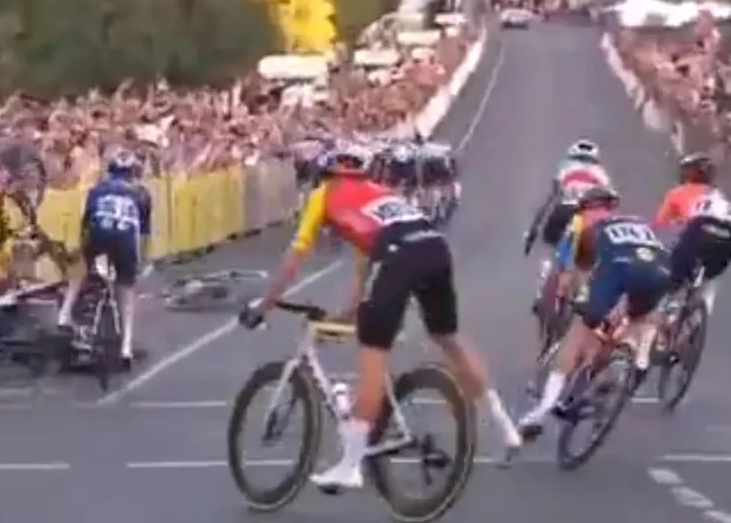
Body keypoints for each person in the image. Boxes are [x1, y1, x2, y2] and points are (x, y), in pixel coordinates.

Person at [243, 141, 521, 491]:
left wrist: (264, 304)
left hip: (398, 256)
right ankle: (504, 426)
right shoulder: (380, 194)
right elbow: (365, 268)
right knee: (447, 337)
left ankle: (350, 465)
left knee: (373, 356)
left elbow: (294, 258)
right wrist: (348, 314)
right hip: (434, 248)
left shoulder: (325, 195)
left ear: (325, 174)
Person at [517, 185, 668, 439]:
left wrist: (581, 301)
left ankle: (542, 411)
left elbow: (582, 270)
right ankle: (637, 354)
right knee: (638, 315)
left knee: (579, 334)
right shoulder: (637, 223)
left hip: (619, 269)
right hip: (659, 269)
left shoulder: (583, 223)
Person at [60, 148, 152, 367]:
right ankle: (126, 346)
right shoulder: (142, 193)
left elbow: (85, 224)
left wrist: (82, 249)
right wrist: (141, 262)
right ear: (133, 172)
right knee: (126, 288)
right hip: (125, 239)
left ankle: (65, 312)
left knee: (82, 263)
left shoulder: (97, 188)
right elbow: (144, 233)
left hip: (100, 232)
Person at [523, 139, 612, 311]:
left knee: (551, 249)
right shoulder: (602, 174)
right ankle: (583, 291)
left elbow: (550, 200)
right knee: (588, 257)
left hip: (564, 210)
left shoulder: (565, 168)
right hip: (589, 216)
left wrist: (533, 232)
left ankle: (540, 292)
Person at [654, 153, 731, 315]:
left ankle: (667, 303)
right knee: (709, 277)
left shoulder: (678, 192)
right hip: (729, 237)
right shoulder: (718, 195)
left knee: (675, 270)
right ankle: (702, 312)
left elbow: (660, 224)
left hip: (699, 229)